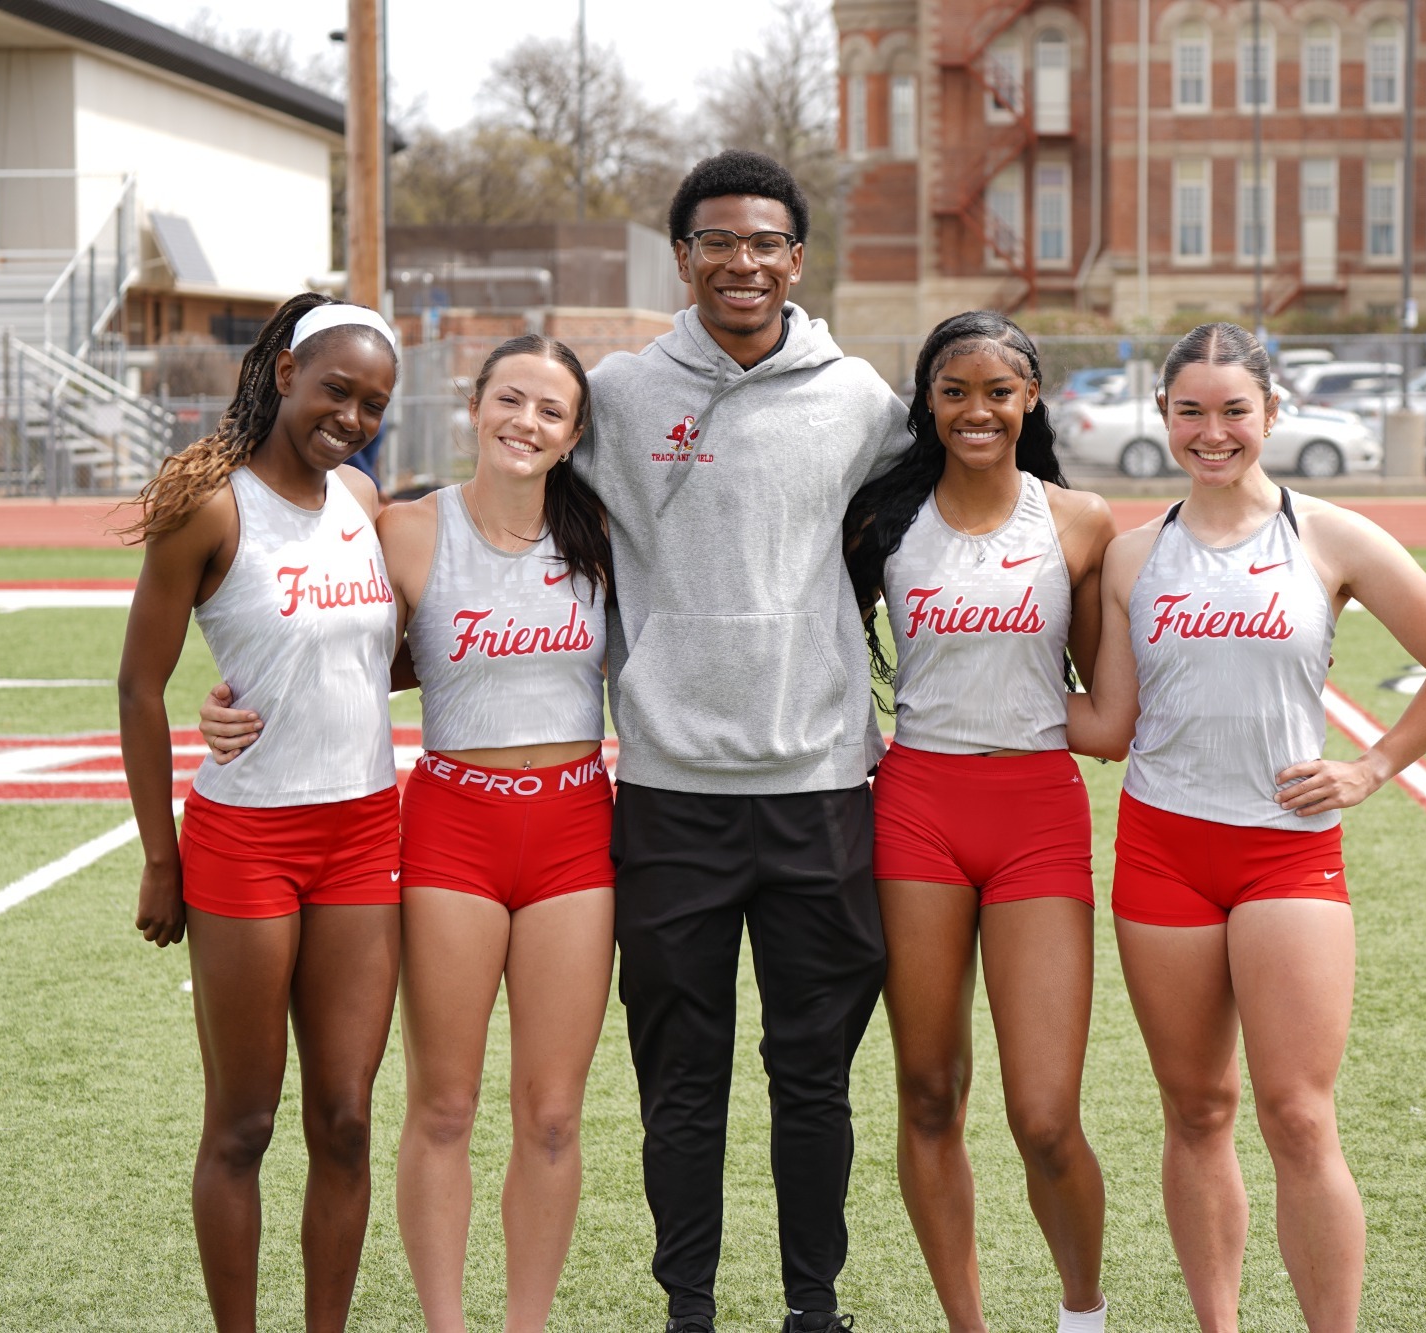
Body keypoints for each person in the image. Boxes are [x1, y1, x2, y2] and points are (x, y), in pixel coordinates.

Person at [1067, 324, 1426, 1332]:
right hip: (1162, 850)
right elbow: (1112, 724)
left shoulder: (1330, 538)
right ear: (1162, 415)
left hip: (1284, 855)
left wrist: (1369, 766)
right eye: (1188, 411)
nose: (1210, 433)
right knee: (1196, 1110)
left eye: (1232, 411)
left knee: (1297, 1116)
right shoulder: (1133, 556)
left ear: (1270, 414)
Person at [201, 334, 618, 1328]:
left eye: (549, 411)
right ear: (475, 405)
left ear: (572, 434)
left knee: (553, 1115)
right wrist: (229, 703)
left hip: (571, 831)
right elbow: (335, 650)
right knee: (442, 1104)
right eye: (509, 399)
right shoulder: (402, 531)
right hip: (450, 829)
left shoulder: (604, 534)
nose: (526, 422)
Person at [576, 150, 911, 1333]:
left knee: (811, 1078)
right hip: (668, 796)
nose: (743, 263)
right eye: (718, 242)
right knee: (680, 1083)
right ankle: (688, 1307)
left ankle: (813, 1308)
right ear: (682, 257)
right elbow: (507, 507)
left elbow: (950, 511)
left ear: (796, 260)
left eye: (765, 243)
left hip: (821, 788)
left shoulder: (859, 398)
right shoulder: (614, 396)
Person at [116, 293, 404, 1333]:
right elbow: (138, 685)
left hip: (366, 831)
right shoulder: (208, 501)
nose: (353, 415)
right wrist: (162, 858)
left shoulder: (362, 501)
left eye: (373, 402)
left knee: (347, 1117)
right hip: (248, 841)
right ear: (283, 371)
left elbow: (379, 658)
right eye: (337, 388)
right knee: (242, 1125)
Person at [840, 312, 1118, 1333]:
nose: (975, 410)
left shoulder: (1077, 521)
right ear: (927, 401)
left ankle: (1080, 1312)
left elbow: (1103, 702)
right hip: (914, 808)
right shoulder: (881, 520)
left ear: (1029, 400)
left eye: (996, 392)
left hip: (1036, 813)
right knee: (926, 1091)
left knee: (1043, 1116)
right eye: (953, 391)